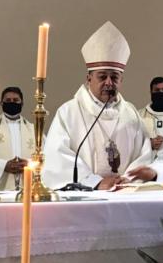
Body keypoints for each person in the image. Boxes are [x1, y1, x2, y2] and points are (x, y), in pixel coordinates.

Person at [41, 21, 152, 190]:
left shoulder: (131, 114)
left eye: (114, 77)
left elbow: (144, 155)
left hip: (125, 194)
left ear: (121, 80)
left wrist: (126, 180)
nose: (109, 83)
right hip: (84, 198)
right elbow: (57, 157)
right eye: (102, 76)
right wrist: (95, 182)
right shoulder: (69, 112)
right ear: (89, 79)